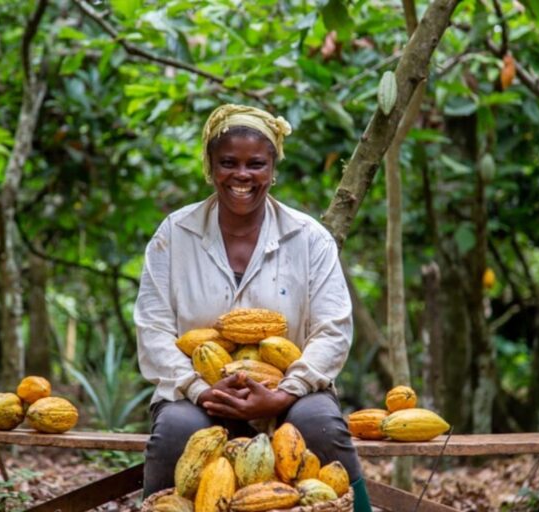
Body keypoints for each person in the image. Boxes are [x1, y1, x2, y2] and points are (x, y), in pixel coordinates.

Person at [134, 104, 372, 512]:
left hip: (292, 390)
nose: (241, 176)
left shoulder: (309, 238)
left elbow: (332, 330)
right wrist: (200, 388)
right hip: (195, 392)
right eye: (228, 163)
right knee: (176, 430)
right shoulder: (175, 234)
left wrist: (285, 393)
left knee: (320, 423)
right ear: (211, 166)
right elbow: (153, 329)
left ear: (272, 168)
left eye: (256, 164)